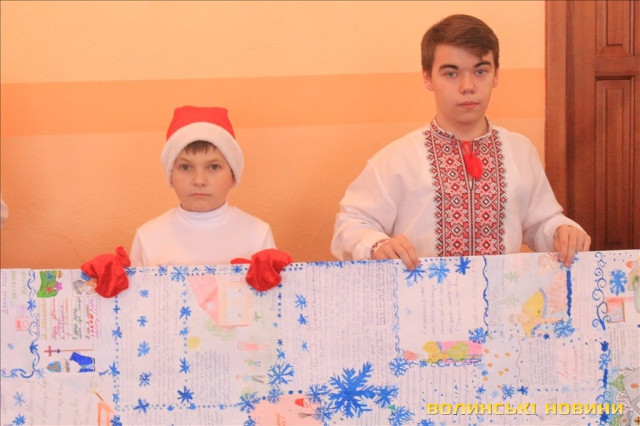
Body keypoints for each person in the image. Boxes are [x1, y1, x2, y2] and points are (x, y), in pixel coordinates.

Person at [331, 14, 590, 270]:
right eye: (451, 74)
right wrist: (377, 245)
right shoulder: (397, 159)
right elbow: (351, 222)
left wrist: (561, 230)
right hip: (424, 295)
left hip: (502, 295)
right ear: (427, 78)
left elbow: (541, 222)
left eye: (480, 71)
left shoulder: (520, 151)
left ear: (496, 75)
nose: (468, 86)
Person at [130, 106, 276, 266]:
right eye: (185, 167)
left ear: (233, 175)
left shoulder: (258, 234)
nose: (199, 181)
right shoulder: (148, 237)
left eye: (213, 167)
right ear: (170, 176)